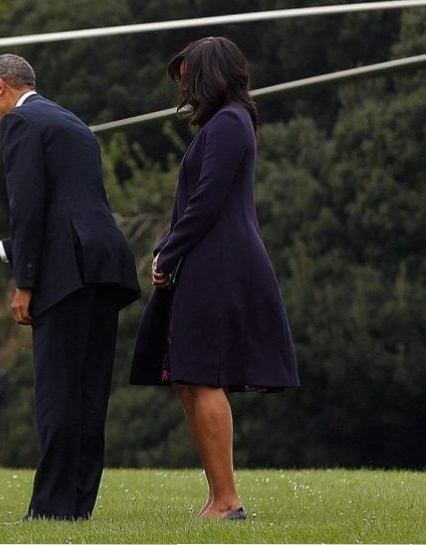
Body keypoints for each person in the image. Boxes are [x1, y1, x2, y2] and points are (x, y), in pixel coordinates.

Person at [130, 37, 300, 520]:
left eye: (186, 75)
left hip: (221, 264)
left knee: (202, 375)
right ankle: (217, 497)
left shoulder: (229, 124)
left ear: (208, 75)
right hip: (206, 261)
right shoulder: (222, 125)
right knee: (188, 376)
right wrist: (174, 249)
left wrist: (167, 250)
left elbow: (207, 201)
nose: (182, 85)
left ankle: (227, 500)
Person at [0, 53, 141, 521]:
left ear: (1, 85)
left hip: (65, 276)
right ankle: (78, 504)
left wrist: (24, 283)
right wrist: (4, 250)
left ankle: (49, 509)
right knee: (89, 392)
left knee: (57, 393)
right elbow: (68, 210)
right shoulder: (71, 122)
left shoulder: (21, 123)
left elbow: (30, 209)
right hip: (104, 266)